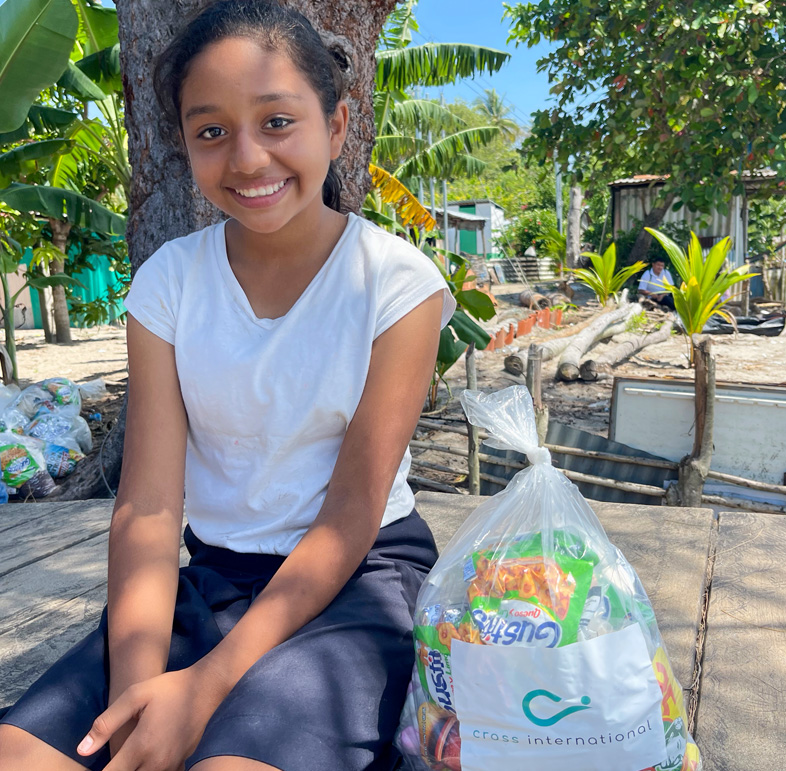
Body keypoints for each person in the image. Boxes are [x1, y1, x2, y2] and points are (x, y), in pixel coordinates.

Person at [0, 2, 455, 770]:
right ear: (184, 146)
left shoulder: (394, 285)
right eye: (211, 131)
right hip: (208, 577)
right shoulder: (169, 284)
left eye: (277, 121)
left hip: (359, 577)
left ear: (336, 127)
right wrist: (141, 698)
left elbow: (350, 515)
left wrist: (206, 685)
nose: (247, 158)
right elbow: (148, 505)